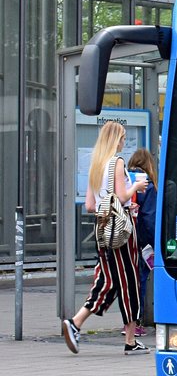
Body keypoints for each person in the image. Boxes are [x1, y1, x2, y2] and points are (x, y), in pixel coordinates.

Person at [62, 121, 151, 355]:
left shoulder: (96, 165)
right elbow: (122, 196)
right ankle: (130, 341)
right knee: (130, 280)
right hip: (121, 232)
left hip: (102, 229)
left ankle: (76, 322)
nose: (124, 142)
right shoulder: (117, 162)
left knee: (109, 280)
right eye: (122, 138)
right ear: (116, 140)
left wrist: (112, 202)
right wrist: (137, 186)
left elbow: (91, 205)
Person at [127, 148, 158, 336]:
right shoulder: (147, 185)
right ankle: (135, 324)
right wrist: (154, 242)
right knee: (140, 279)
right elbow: (149, 217)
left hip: (124, 236)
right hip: (142, 240)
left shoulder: (125, 180)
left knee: (127, 280)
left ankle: (127, 323)